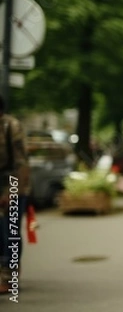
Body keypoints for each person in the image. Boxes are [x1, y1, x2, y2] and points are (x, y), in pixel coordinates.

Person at [0, 95, 30, 294]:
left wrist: (11, 192)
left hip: (13, 185)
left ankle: (9, 276)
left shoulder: (10, 126)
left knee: (9, 232)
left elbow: (21, 163)